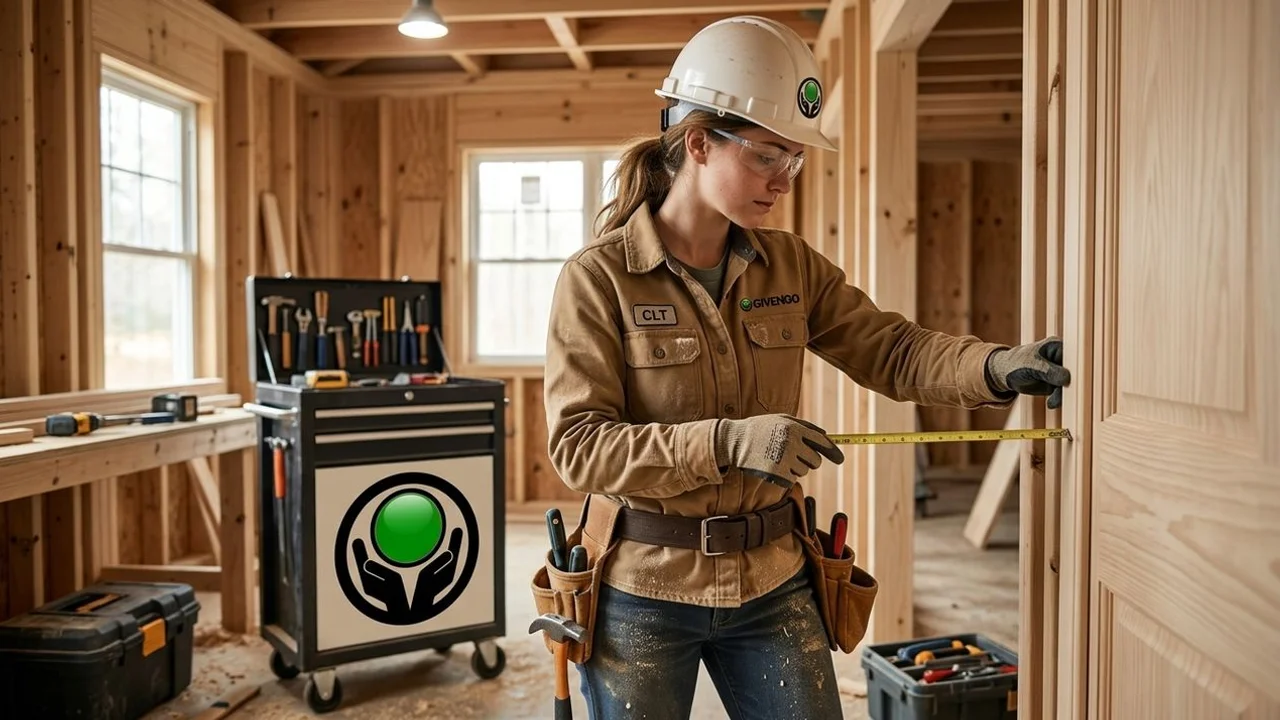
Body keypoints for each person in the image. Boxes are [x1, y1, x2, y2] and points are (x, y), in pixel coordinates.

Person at [541, 15, 1070, 720]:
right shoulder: (598, 279)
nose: (784, 180)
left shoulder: (789, 266)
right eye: (767, 156)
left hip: (774, 580)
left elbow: (894, 349)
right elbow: (579, 447)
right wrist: (727, 441)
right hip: (645, 589)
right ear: (698, 142)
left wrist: (997, 368)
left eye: (793, 160)